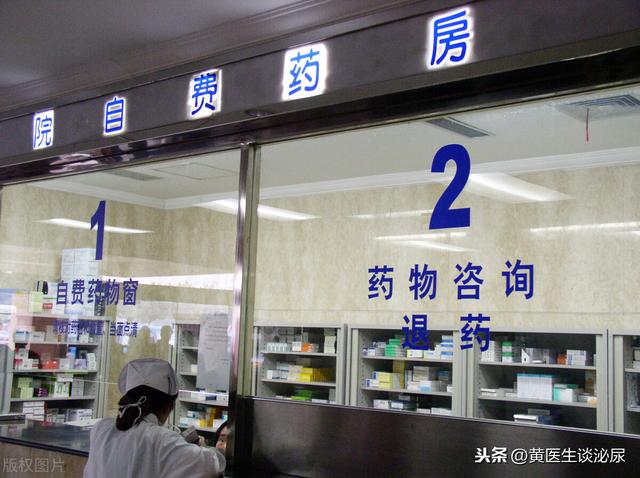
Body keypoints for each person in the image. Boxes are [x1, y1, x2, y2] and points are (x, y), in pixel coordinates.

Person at [83, 358, 225, 478]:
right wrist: (212, 450)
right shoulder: (162, 440)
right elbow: (211, 465)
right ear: (168, 406)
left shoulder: (101, 428)